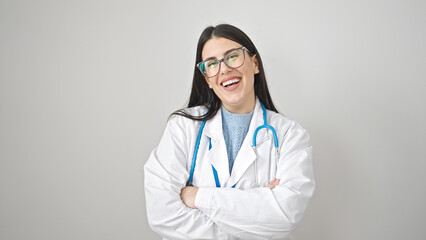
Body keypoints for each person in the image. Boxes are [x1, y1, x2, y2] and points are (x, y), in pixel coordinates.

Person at [144, 24, 315, 240]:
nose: (224, 69)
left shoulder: (290, 136)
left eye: (232, 57)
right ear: (207, 78)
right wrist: (256, 208)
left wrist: (197, 197)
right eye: (212, 64)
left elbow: (284, 217)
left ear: (254, 64)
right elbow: (162, 215)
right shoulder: (182, 127)